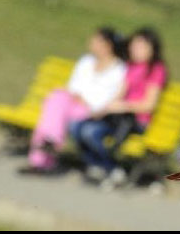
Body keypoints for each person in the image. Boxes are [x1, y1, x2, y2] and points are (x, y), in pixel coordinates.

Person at [20, 28, 126, 173]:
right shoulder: (86, 61)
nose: (91, 42)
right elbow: (73, 86)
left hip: (93, 112)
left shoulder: (119, 70)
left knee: (54, 108)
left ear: (108, 45)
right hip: (72, 104)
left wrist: (86, 101)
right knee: (57, 99)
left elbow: (110, 98)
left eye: (96, 40)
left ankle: (42, 157)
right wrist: (76, 97)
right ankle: (50, 145)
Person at [71, 28, 168, 185]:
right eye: (134, 46)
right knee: (78, 127)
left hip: (136, 121)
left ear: (152, 49)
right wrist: (103, 110)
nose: (135, 50)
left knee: (91, 132)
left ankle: (112, 168)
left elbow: (148, 105)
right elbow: (119, 93)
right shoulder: (130, 66)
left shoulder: (156, 70)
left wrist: (123, 106)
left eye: (141, 47)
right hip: (117, 117)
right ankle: (97, 166)